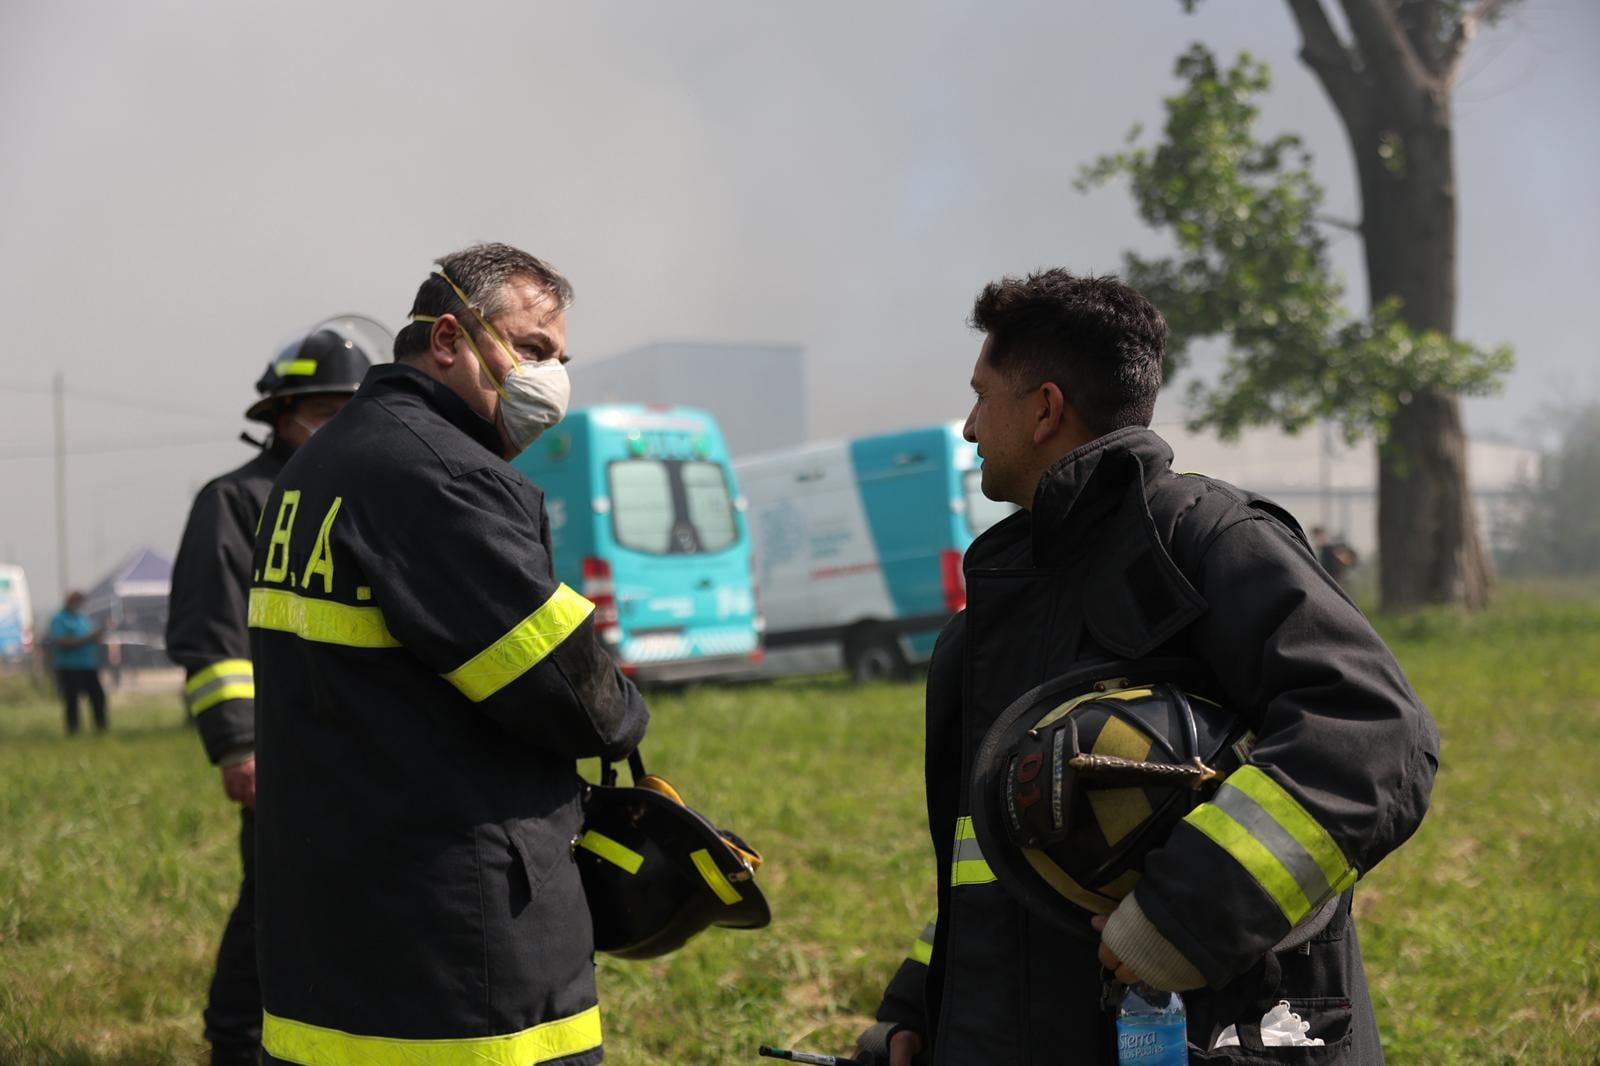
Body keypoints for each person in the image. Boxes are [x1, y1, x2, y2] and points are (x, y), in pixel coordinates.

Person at [860, 271, 1438, 1064]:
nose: (967, 427)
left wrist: (1181, 916)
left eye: (980, 396)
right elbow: (996, 858)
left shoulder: (1206, 544)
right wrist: (923, 1007)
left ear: (1044, 411)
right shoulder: (997, 613)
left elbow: (1375, 736)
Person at [248, 242, 649, 1066]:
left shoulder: (310, 471)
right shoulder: (446, 477)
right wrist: (625, 710)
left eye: (561, 357)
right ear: (447, 340)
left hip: (322, 940)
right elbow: (579, 701)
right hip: (457, 964)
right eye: (534, 349)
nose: (553, 377)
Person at [166, 318, 376, 1066]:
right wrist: (239, 745)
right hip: (283, 750)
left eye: (358, 409)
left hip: (362, 746)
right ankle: (236, 1043)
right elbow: (210, 635)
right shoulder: (235, 502)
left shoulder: (369, 493)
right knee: (277, 904)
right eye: (327, 410)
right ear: (284, 415)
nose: (344, 427)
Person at [47, 591, 107, 734]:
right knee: (71, 700)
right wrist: (86, 639)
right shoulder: (59, 619)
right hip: (69, 667)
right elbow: (61, 641)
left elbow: (87, 636)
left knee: (98, 697)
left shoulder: (82, 618)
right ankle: (73, 730)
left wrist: (95, 638)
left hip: (87, 665)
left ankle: (101, 728)